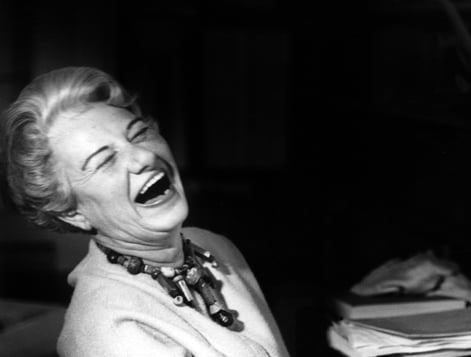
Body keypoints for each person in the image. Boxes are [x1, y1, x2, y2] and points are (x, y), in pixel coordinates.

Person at [0, 66, 289, 357]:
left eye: (139, 134)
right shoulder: (110, 331)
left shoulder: (216, 248)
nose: (145, 156)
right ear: (71, 212)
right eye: (104, 161)